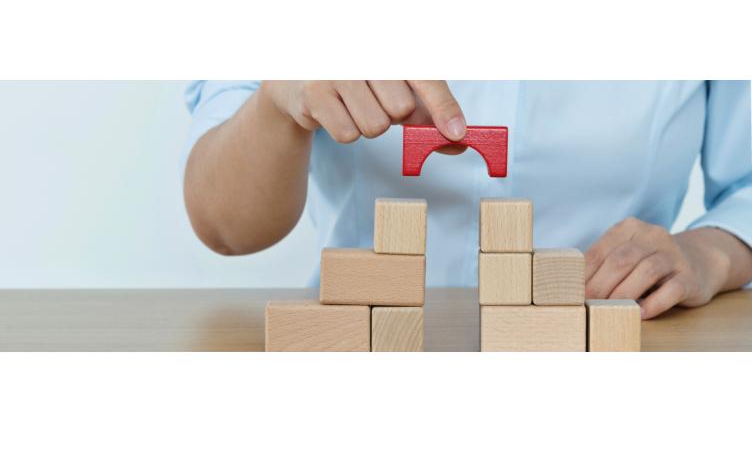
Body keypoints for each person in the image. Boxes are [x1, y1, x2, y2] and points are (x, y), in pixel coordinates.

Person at [182, 81, 752, 320]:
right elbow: (224, 224)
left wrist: (712, 251)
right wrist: (278, 105)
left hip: (613, 344)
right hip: (367, 350)